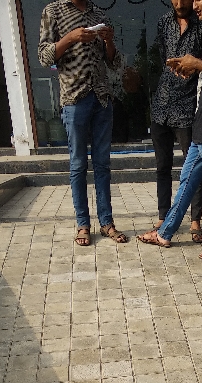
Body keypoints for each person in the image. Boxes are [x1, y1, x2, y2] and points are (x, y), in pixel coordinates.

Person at [138, 0, 202, 260]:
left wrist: (196, 62)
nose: (194, 5)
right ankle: (165, 233)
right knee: (187, 180)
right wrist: (192, 68)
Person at [38, 0, 128, 246]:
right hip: (74, 99)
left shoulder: (98, 13)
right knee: (78, 164)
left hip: (101, 98)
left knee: (103, 164)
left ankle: (106, 222)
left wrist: (109, 41)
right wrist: (70, 38)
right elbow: (44, 57)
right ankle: (83, 224)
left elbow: (114, 63)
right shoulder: (53, 11)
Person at [150, 0, 202, 243]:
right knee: (162, 166)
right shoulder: (163, 22)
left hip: (188, 106)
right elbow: (162, 57)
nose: (179, 3)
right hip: (161, 106)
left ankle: (195, 221)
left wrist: (194, 69)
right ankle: (163, 216)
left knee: (193, 166)